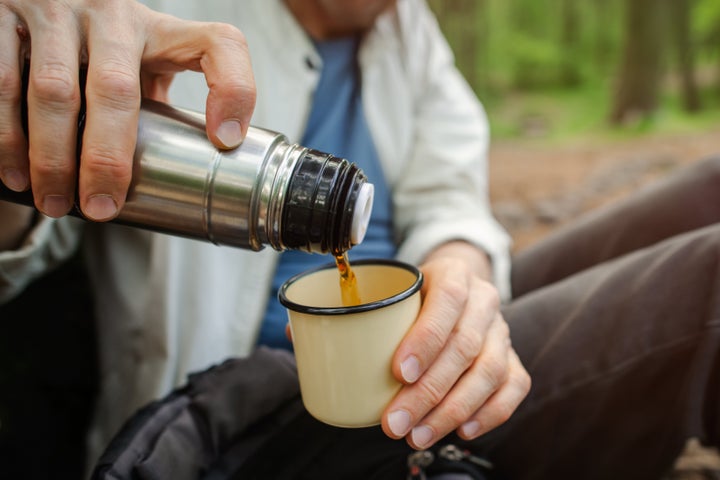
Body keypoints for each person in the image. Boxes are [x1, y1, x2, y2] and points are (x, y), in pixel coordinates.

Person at [2, 1, 719, 479]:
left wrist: (460, 274)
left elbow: (451, 199)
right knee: (707, 279)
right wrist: (13, 154)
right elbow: (23, 248)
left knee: (708, 186)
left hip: (409, 350)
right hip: (251, 429)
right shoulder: (150, 21)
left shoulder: (407, 30)